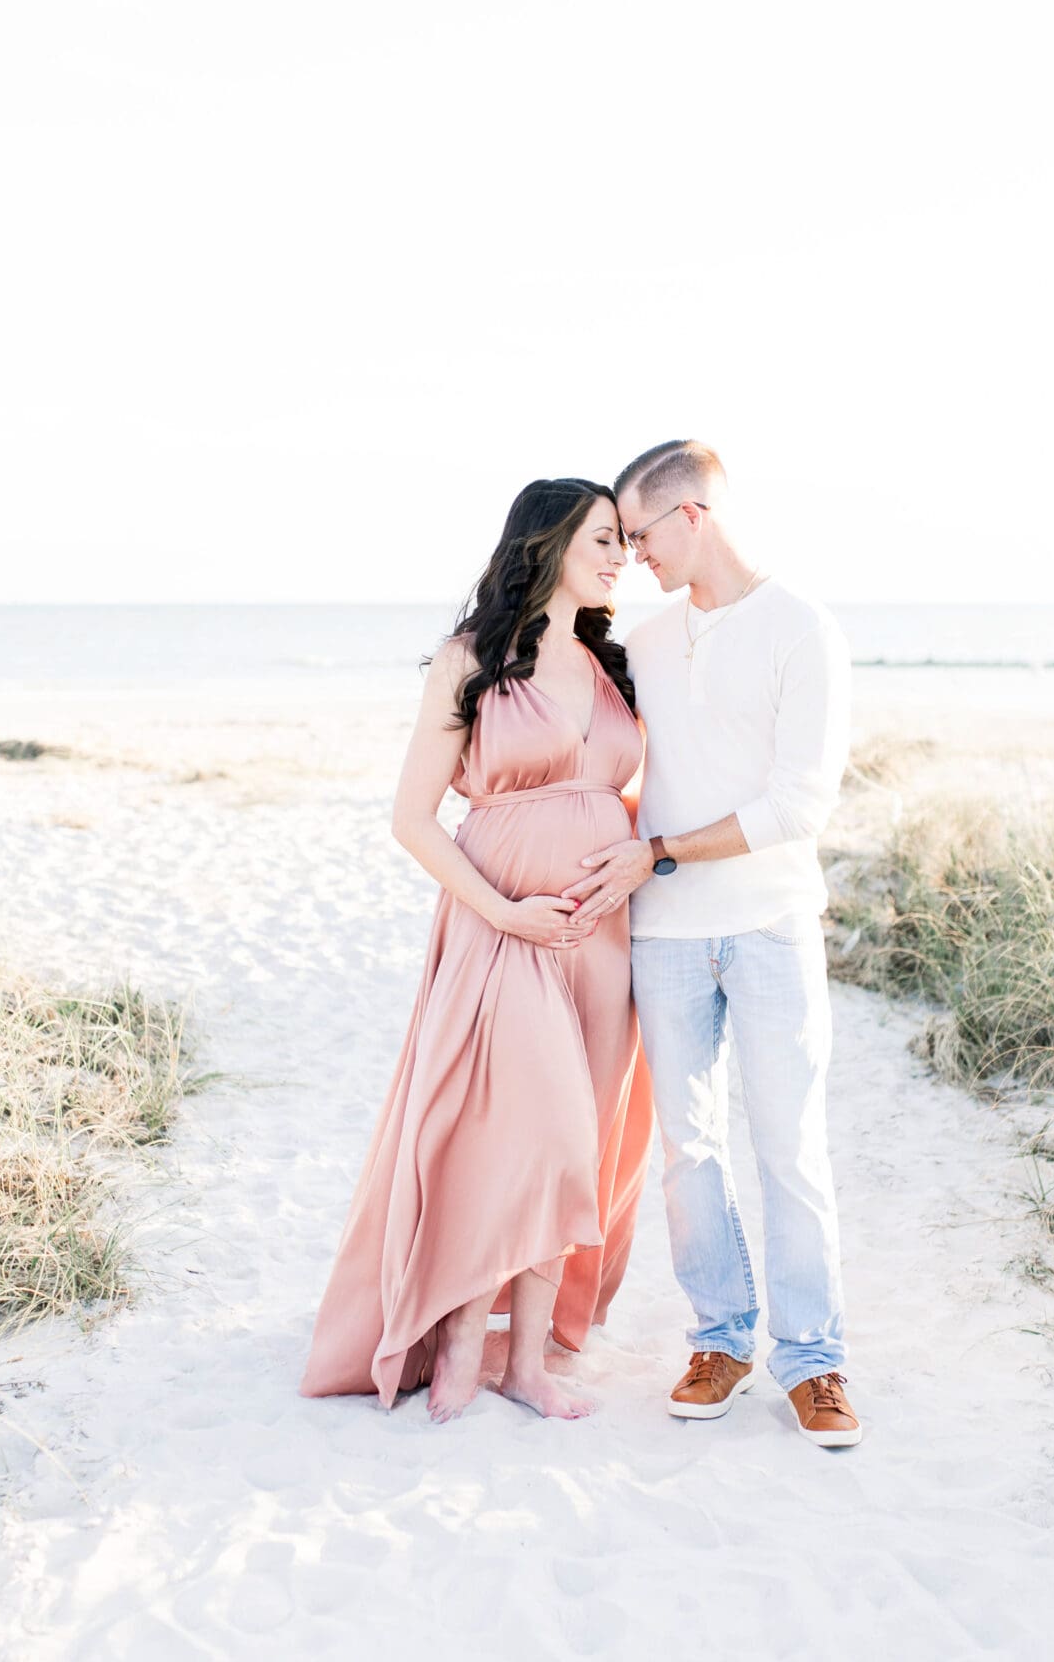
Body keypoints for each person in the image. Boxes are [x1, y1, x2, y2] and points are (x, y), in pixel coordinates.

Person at [300, 478, 653, 1420]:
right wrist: (504, 912)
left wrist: (641, 862)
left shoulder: (614, 665)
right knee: (505, 1134)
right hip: (502, 923)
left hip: (600, 932)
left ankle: (526, 1360)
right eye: (605, 538)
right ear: (548, 543)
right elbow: (413, 820)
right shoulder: (472, 659)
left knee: (575, 1142)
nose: (622, 555)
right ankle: (460, 1339)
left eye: (624, 540)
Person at [563, 439, 862, 1447]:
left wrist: (661, 851)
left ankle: (813, 1359)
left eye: (640, 533)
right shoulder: (644, 643)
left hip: (771, 924)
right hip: (667, 937)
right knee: (690, 1150)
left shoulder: (800, 627)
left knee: (789, 1146)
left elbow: (798, 803)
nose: (632, 553)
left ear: (691, 515)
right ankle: (720, 1337)